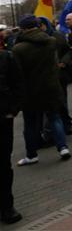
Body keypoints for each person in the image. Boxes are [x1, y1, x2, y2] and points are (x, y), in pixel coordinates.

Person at [12, 16, 70, 166]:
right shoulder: (50, 41)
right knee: (55, 118)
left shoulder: (19, 48)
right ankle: (63, 147)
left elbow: (17, 73)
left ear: (23, 28)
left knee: (30, 124)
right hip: (51, 87)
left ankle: (31, 155)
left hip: (30, 91)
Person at [0, 30, 23, 224]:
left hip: (2, 119)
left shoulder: (6, 57)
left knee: (3, 165)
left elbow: (18, 85)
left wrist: (13, 110)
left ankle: (7, 206)